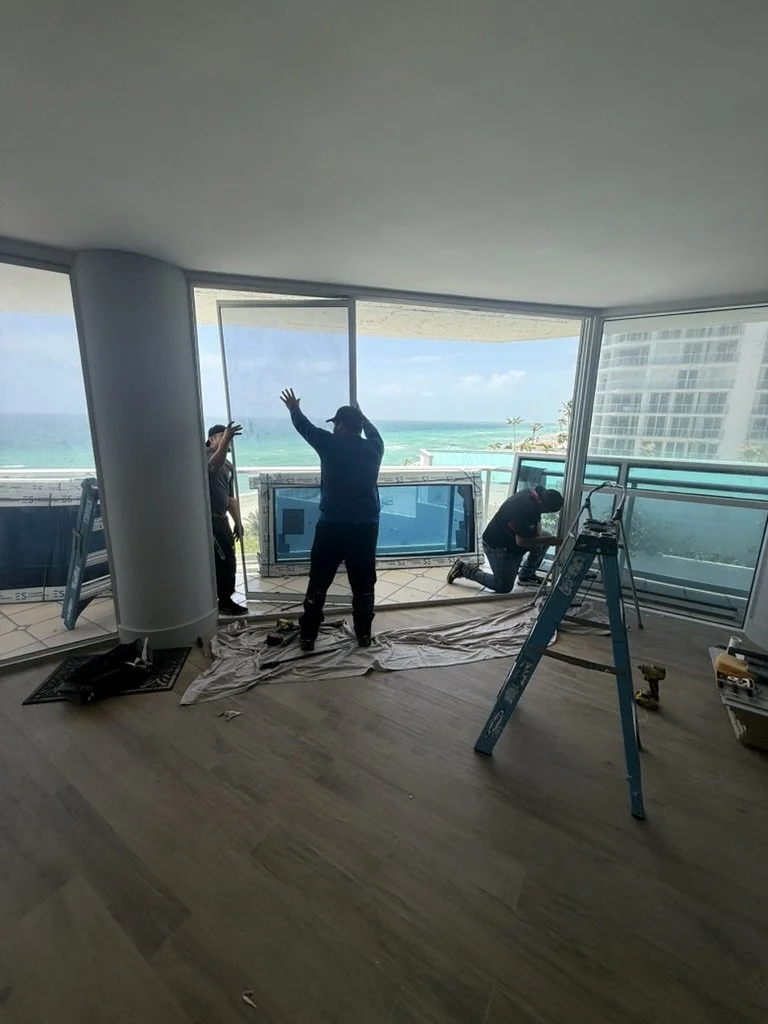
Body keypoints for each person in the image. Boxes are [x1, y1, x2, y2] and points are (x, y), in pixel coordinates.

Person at [279, 388, 384, 651]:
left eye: (336, 423)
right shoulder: (375, 447)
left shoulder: (329, 443)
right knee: (363, 584)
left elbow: (304, 427)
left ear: (339, 426)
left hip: (333, 527)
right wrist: (362, 415)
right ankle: (363, 634)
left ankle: (308, 636)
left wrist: (294, 407)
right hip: (365, 527)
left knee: (319, 582)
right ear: (358, 426)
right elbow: (372, 431)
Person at [448, 485, 564, 593]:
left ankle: (526, 576)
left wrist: (539, 538)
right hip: (498, 546)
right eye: (547, 511)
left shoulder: (533, 494)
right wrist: (549, 540)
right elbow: (522, 541)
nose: (546, 513)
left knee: (544, 538)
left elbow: (537, 520)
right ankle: (463, 569)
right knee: (503, 586)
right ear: (542, 504)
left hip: (510, 538)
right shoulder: (526, 509)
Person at [206, 422, 248, 616]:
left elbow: (230, 498)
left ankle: (224, 598)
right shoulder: (205, 457)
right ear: (211, 439)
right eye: (222, 436)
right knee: (223, 561)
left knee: (228, 558)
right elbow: (214, 466)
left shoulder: (229, 465)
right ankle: (223, 601)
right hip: (210, 521)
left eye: (228, 437)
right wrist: (224, 442)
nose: (227, 440)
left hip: (222, 519)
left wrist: (238, 522)